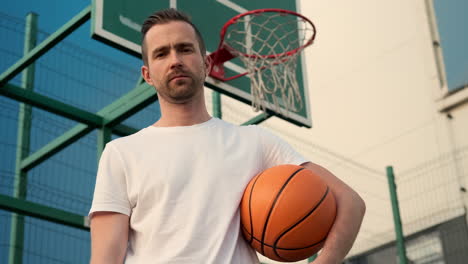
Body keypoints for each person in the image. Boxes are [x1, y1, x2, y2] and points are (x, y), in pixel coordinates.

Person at [89, 8, 365, 264]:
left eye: (185, 49)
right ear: (147, 75)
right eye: (161, 54)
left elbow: (351, 203)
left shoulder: (256, 142)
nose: (175, 60)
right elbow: (106, 257)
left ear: (207, 63)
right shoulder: (122, 153)